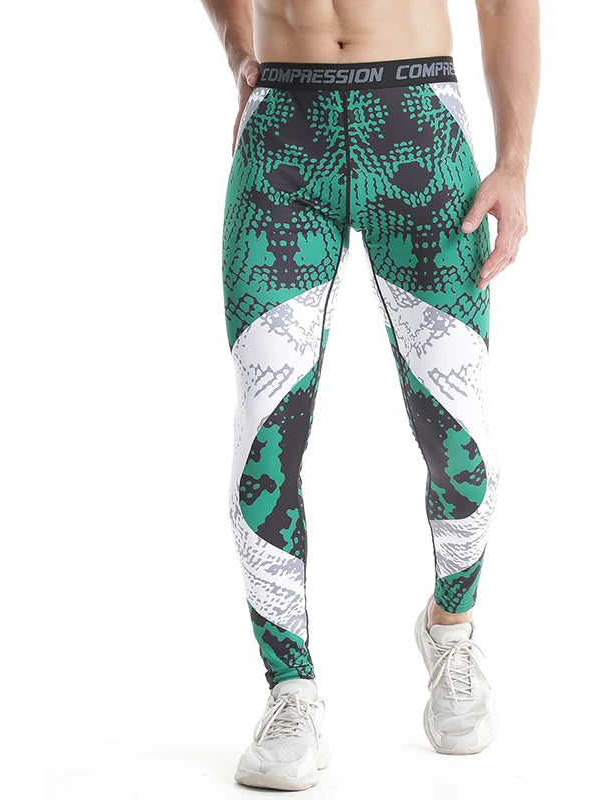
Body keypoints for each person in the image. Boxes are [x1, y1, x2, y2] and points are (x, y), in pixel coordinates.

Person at [201, 0, 539, 789]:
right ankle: (291, 689)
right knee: (264, 438)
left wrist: (515, 162)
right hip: (283, 134)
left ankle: (449, 629)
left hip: (418, 129)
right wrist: (238, 50)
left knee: (463, 448)